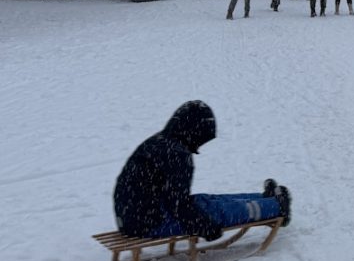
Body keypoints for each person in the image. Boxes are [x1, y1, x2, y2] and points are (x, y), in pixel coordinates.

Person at [113, 100, 290, 240]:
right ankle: (276, 207)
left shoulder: (161, 142)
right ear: (195, 132)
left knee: (205, 200)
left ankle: (263, 199)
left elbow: (174, 199)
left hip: (136, 217)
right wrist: (205, 227)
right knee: (215, 212)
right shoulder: (176, 154)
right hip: (151, 223)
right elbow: (178, 204)